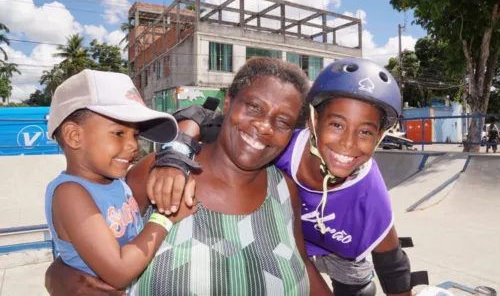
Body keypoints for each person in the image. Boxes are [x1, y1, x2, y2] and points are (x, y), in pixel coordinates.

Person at [44, 57, 332, 296]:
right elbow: (95, 241)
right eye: (253, 107)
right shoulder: (155, 174)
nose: (264, 126)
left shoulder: (284, 191)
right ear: (228, 103)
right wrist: (60, 276)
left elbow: (303, 264)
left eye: (282, 121)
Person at [147, 58, 429, 296]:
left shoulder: (369, 193)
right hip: (291, 241)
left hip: (342, 252)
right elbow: (209, 123)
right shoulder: (279, 143)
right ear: (313, 121)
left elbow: (392, 264)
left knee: (359, 287)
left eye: (365, 132)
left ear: (380, 137)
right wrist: (176, 154)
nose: (348, 144)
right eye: (336, 125)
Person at [44, 69, 190, 291]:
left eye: (135, 135)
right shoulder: (70, 194)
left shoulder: (116, 182)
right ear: (74, 136)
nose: (133, 145)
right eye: (119, 133)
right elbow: (119, 271)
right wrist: (164, 218)